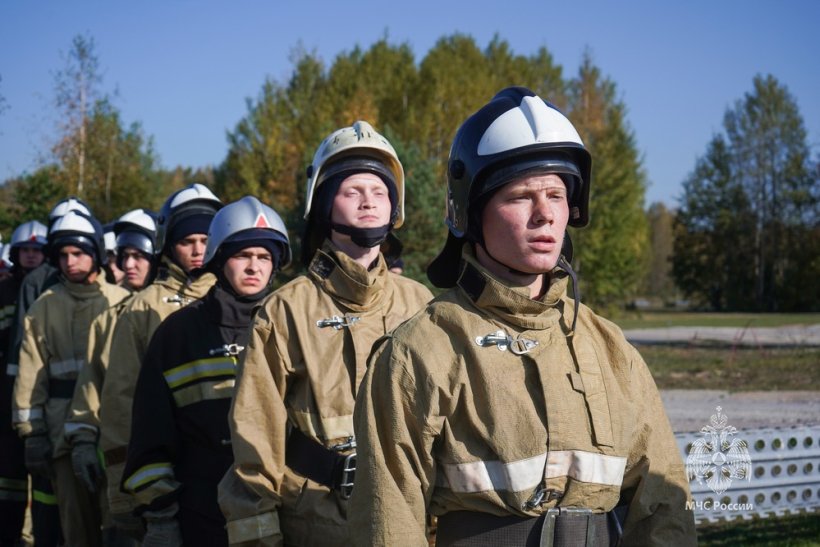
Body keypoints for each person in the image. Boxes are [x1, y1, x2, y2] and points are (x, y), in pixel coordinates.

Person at [351, 87, 697, 546]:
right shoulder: (420, 352)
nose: (545, 215)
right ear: (472, 214)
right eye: (520, 196)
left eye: (556, 194)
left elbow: (663, 506)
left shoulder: (610, 348)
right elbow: (388, 520)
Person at [218, 121, 433, 545]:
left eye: (380, 192)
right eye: (352, 191)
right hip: (315, 523)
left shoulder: (420, 303)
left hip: (410, 521)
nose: (369, 202)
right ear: (323, 203)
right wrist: (259, 534)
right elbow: (255, 431)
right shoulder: (285, 309)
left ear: (395, 206)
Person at [123, 196, 291, 546]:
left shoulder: (294, 327)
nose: (253, 267)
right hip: (202, 513)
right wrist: (160, 517)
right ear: (219, 259)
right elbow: (149, 436)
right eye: (242, 256)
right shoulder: (177, 333)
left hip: (286, 510)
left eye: (264, 258)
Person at [100, 183, 221, 541]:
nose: (199, 250)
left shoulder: (246, 302)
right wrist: (124, 497)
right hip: (171, 481)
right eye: (188, 242)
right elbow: (121, 402)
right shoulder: (143, 308)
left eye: (206, 239)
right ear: (169, 244)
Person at [13, 210, 130, 547]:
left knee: (116, 523)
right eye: (63, 255)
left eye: (78, 253)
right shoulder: (44, 307)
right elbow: (30, 375)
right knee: (75, 527)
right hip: (60, 433)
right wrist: (32, 435)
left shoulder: (121, 303)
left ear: (95, 254)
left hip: (112, 431)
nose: (70, 262)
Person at [64, 208, 159, 545]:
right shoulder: (107, 320)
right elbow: (90, 388)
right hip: (119, 469)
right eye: (123, 256)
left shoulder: (183, 315)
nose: (128, 265)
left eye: (138, 256)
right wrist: (83, 441)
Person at [0, 220, 47, 545]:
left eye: (37, 250)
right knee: (8, 477)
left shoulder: (49, 289)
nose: (31, 256)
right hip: (4, 393)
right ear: (15, 254)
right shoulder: (3, 290)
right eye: (25, 250)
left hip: (39, 392)